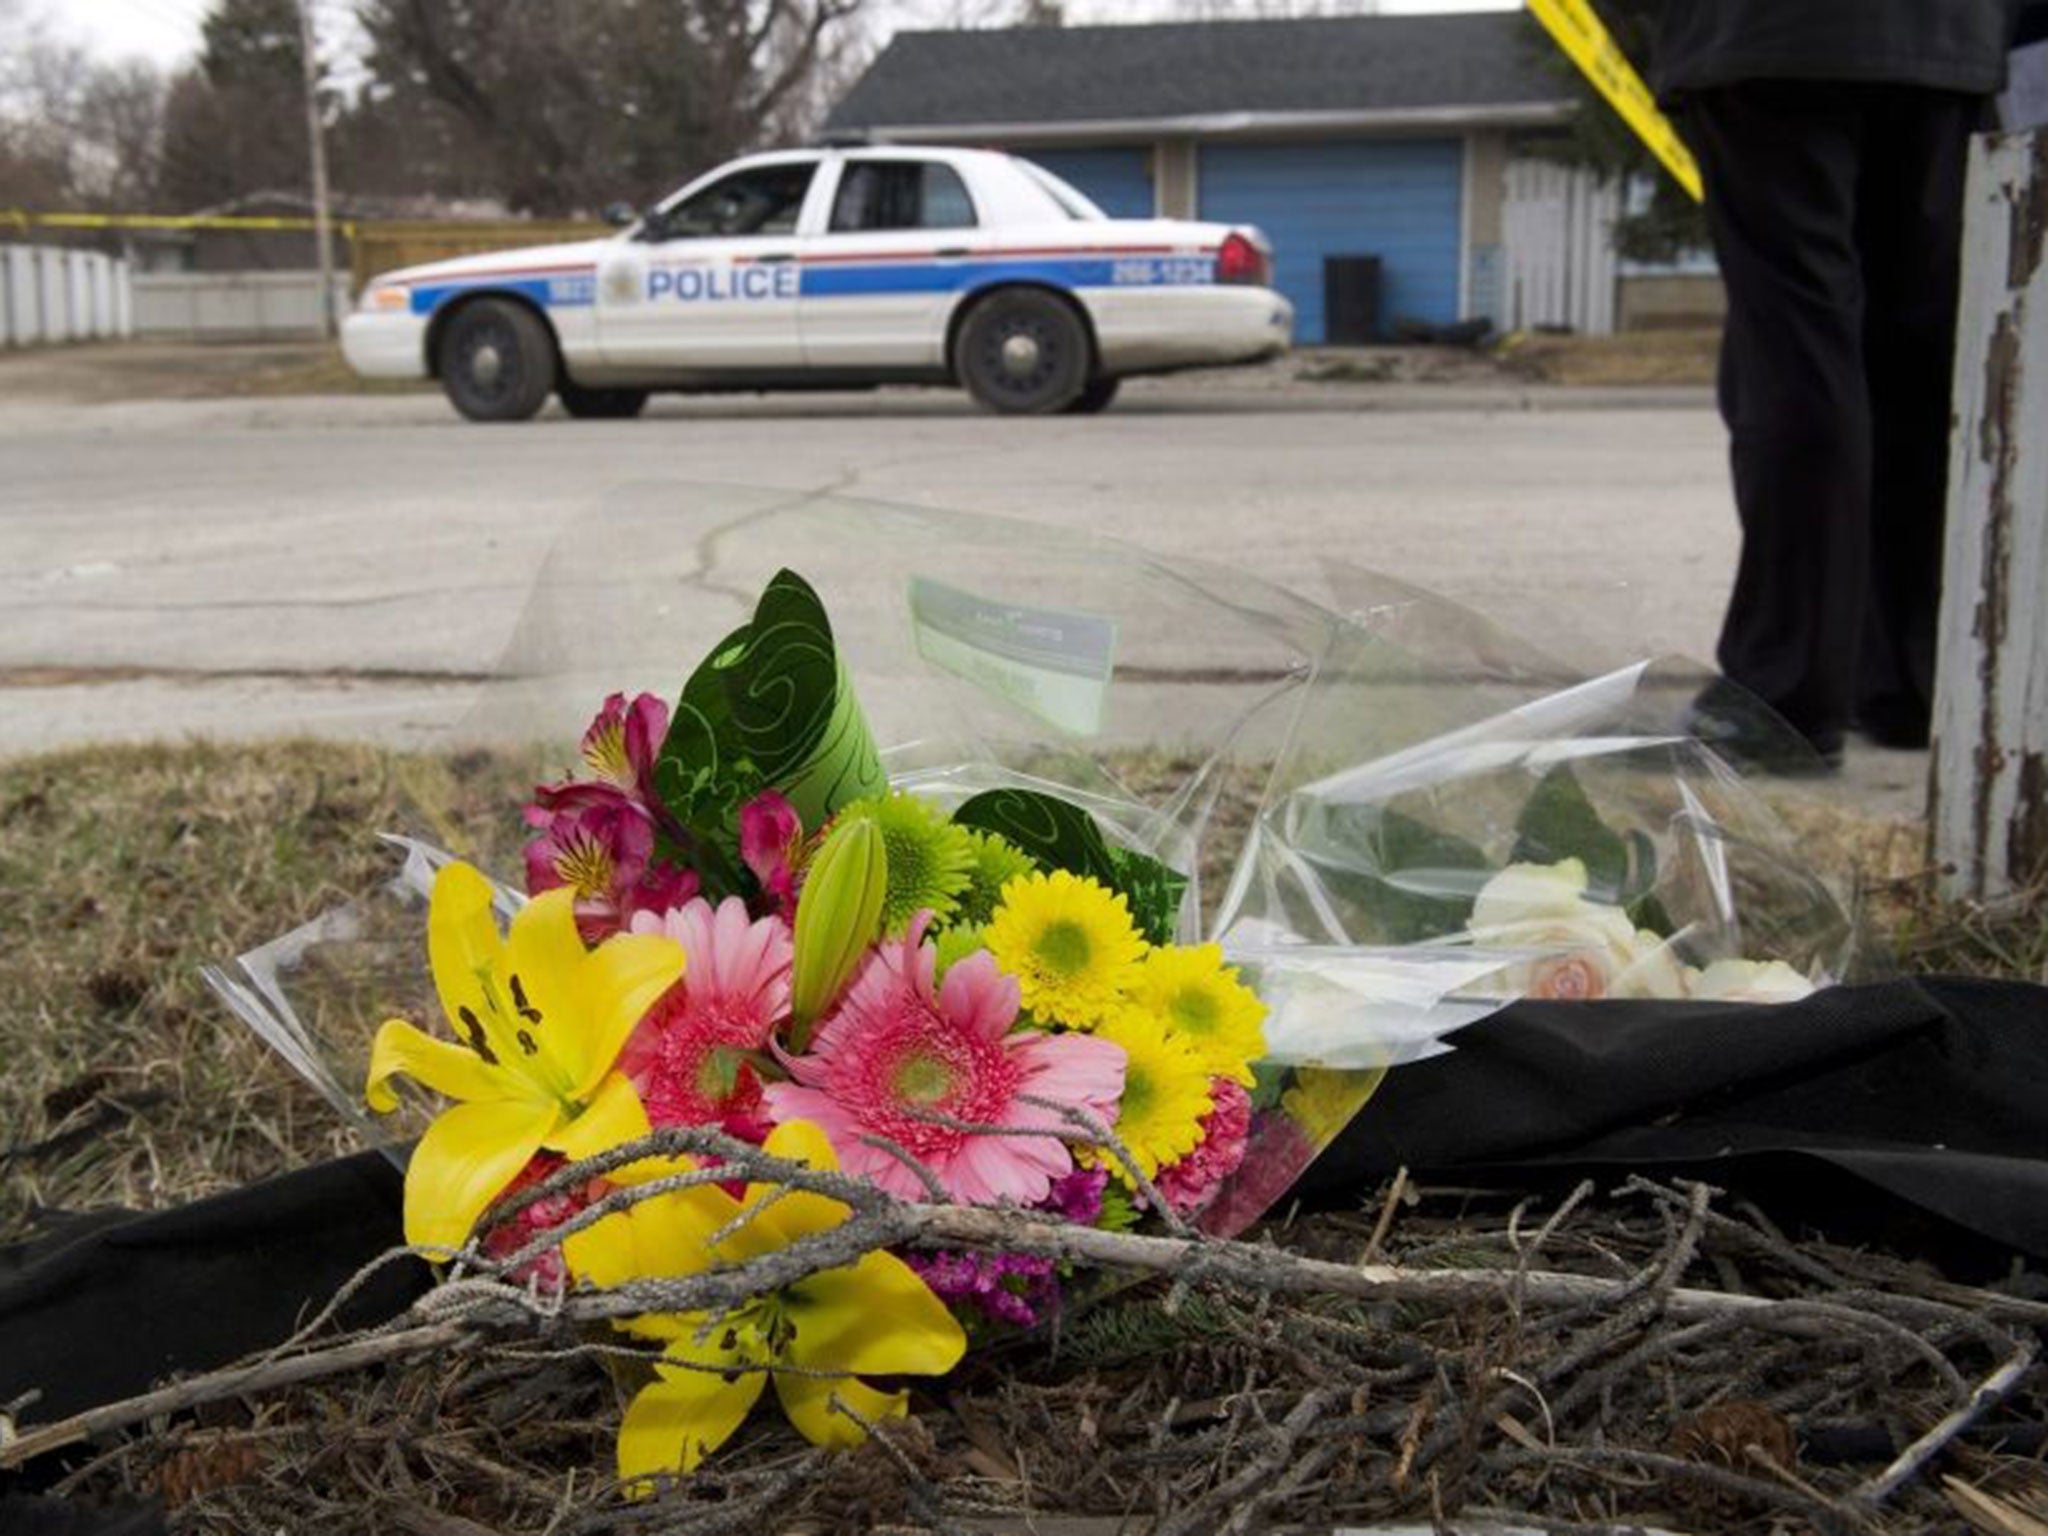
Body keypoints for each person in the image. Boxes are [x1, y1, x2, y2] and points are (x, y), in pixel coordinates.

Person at [1653, 0, 2019, 771]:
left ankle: (1785, 700)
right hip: (1950, 39)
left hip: (1769, 36)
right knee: (1919, 363)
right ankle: (1918, 681)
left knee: (1796, 347)